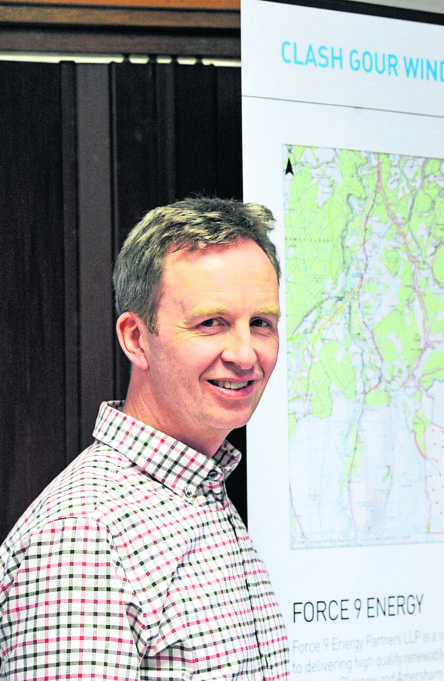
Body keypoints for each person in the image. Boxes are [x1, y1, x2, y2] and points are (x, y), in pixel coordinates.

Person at [0, 198, 289, 679]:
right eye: (211, 323)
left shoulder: (200, 489)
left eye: (260, 323)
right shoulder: (85, 535)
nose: (244, 354)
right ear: (136, 338)